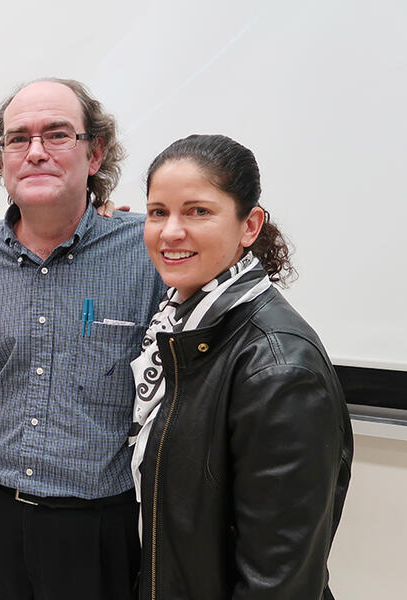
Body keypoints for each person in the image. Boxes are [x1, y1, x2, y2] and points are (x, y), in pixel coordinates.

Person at [0, 78, 166, 599]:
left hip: (94, 530)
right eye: (18, 138)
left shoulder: (146, 253)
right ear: (2, 159)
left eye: (57, 134)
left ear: (95, 154)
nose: (36, 152)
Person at [132, 134, 352, 599]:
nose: (171, 231)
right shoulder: (180, 327)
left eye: (198, 211)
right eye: (158, 212)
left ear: (249, 226)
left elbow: (278, 581)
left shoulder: (279, 367)